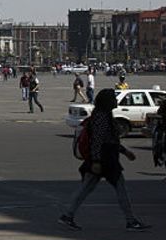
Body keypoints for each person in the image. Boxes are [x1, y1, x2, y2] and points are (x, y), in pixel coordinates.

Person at [58, 88, 150, 231]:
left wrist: (124, 151)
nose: (116, 100)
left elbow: (109, 140)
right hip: (105, 159)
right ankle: (131, 221)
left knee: (86, 188)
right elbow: (98, 141)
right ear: (107, 101)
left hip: (104, 157)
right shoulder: (102, 117)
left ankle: (67, 215)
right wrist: (96, 161)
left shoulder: (104, 115)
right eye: (113, 98)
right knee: (120, 189)